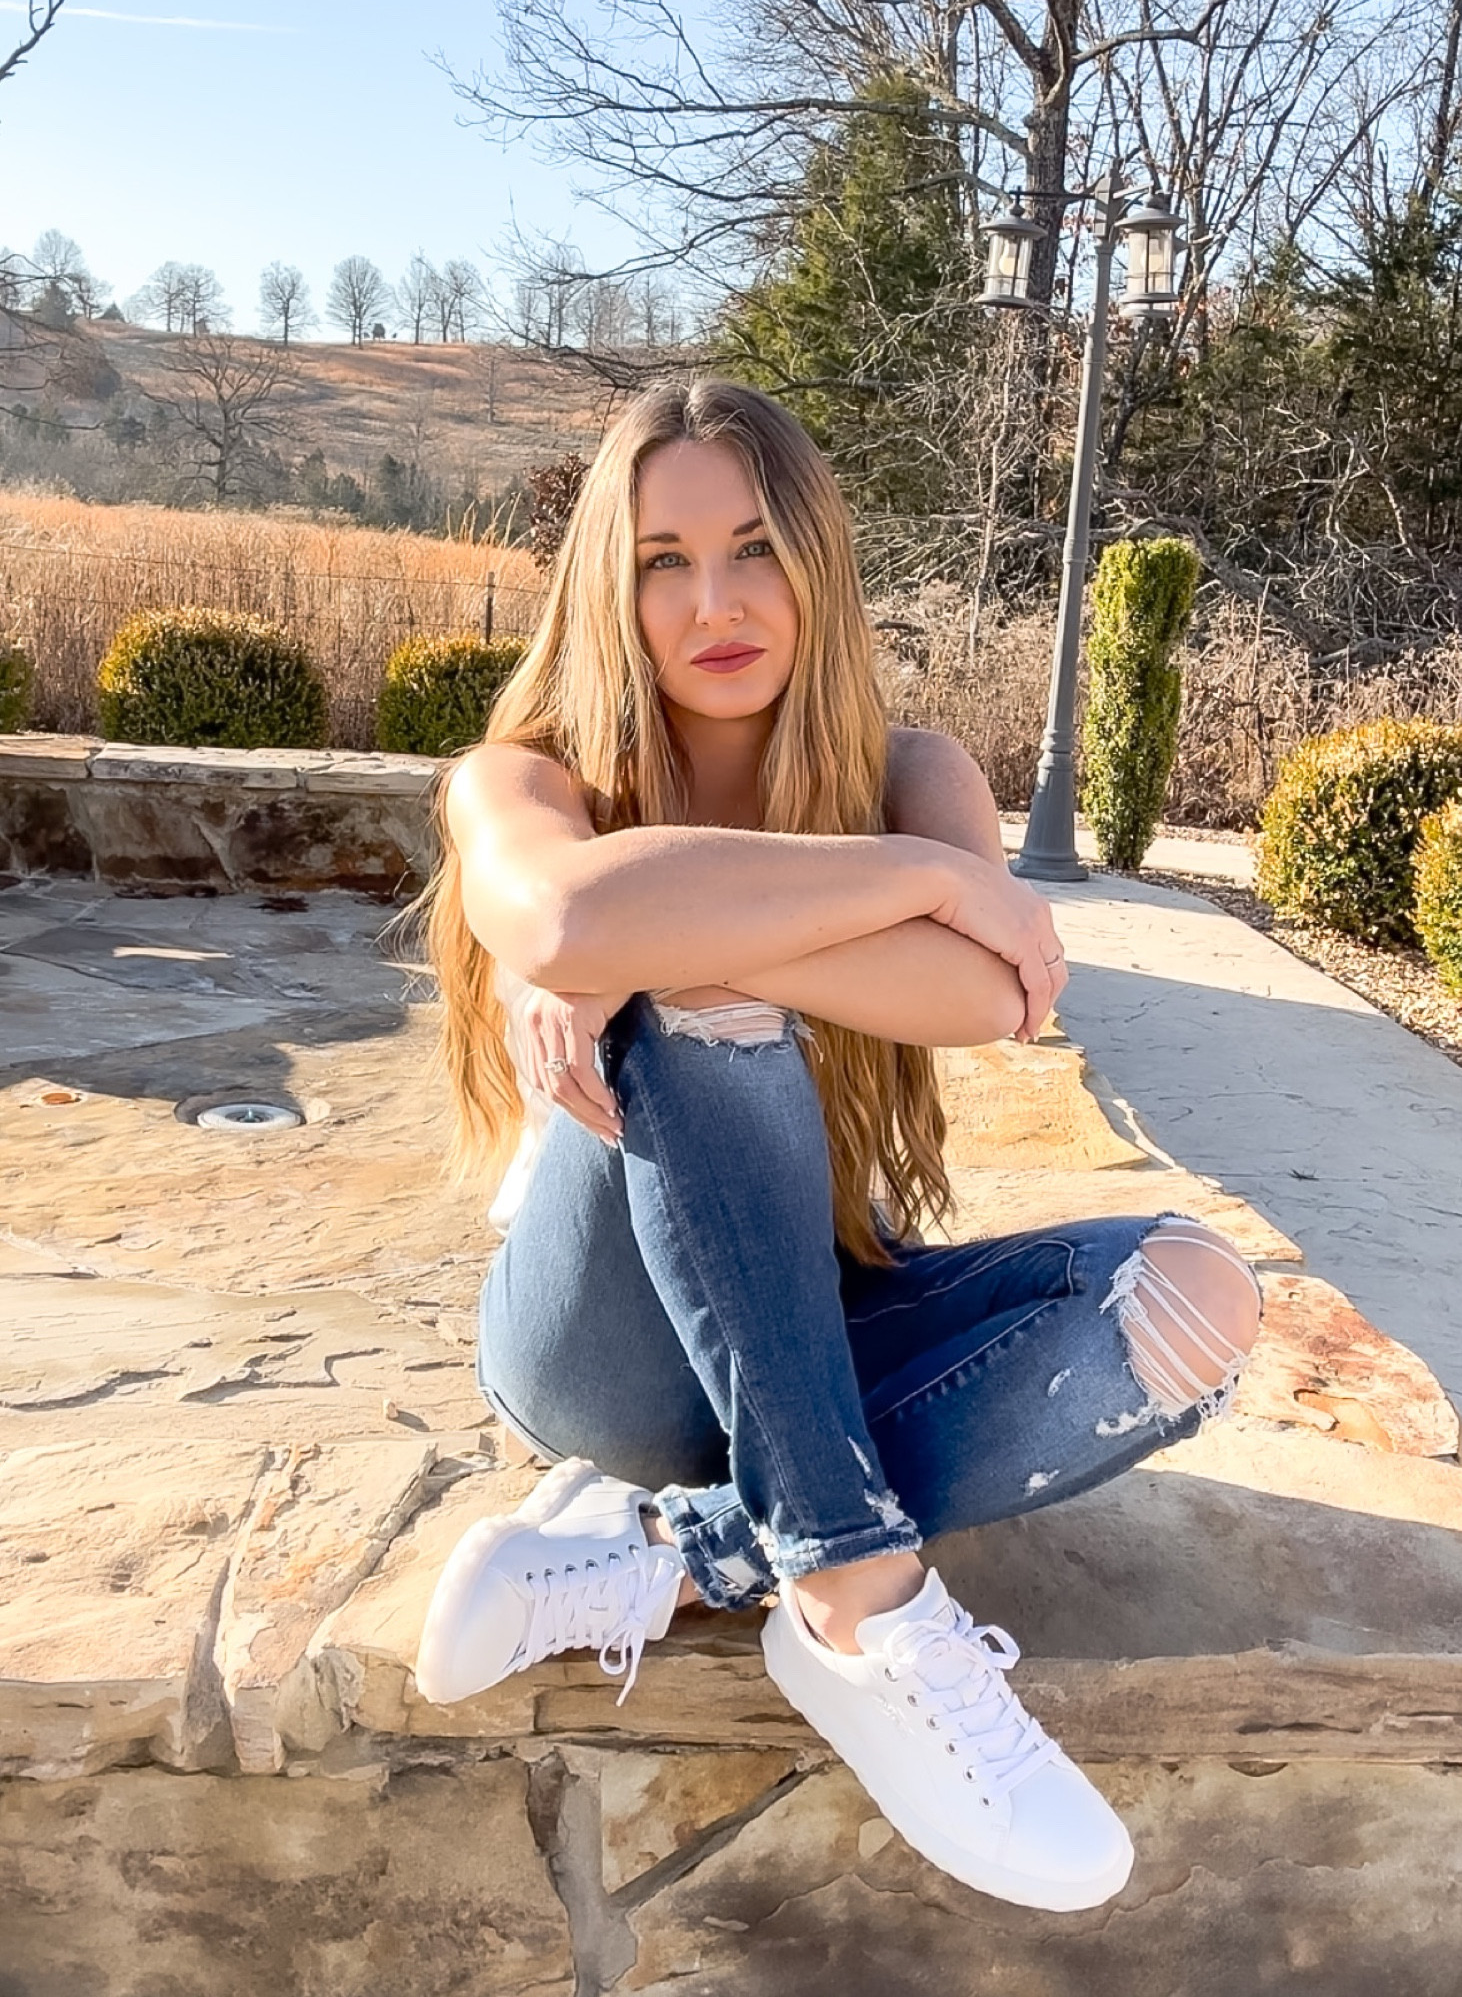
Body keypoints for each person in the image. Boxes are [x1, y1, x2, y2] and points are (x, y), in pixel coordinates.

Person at [412, 378, 1263, 1913]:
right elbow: (567, 911)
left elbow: (985, 997)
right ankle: (858, 1601)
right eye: (664, 561)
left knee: (1198, 1301)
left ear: (817, 559)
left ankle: (675, 1555)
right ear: (612, 587)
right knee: (697, 991)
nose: (716, 603)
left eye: (755, 548)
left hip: (801, 1311)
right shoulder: (527, 779)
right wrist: (908, 887)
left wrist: (663, 932)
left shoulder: (913, 773)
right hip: (599, 1343)